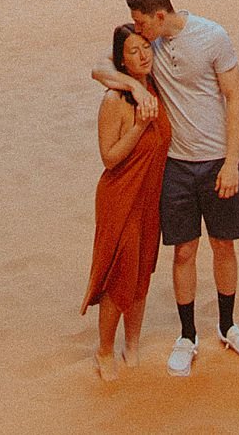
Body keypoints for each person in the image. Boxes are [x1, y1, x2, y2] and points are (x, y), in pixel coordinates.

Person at [92, 0, 239, 378]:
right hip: (177, 167)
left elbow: (234, 97)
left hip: (218, 159)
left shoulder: (213, 36)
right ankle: (187, 336)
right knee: (183, 252)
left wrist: (231, 161)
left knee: (223, 245)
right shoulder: (145, 44)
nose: (138, 30)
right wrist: (134, 84)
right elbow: (101, 66)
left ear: (160, 15)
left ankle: (227, 326)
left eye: (141, 22)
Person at [81, 24, 172, 381]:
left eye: (146, 47)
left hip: (150, 195)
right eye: (133, 52)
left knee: (141, 272)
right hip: (121, 195)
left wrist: (139, 83)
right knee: (121, 272)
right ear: (121, 59)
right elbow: (109, 158)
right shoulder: (114, 101)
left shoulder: (156, 86)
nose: (143, 56)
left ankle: (131, 345)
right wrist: (137, 126)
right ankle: (104, 349)